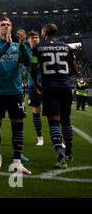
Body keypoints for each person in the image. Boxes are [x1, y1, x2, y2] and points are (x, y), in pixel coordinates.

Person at [0, 16, 31, 175]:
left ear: (11, 27)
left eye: (8, 24)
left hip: (15, 91)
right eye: (2, 24)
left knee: (18, 126)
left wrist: (23, 45)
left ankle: (17, 161)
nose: (5, 26)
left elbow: (28, 62)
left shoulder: (18, 46)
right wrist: (8, 44)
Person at [31, 24, 78, 169]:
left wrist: (37, 84)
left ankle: (60, 155)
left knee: (53, 122)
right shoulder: (67, 47)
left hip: (49, 87)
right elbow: (75, 69)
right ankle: (69, 151)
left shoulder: (37, 48)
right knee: (66, 120)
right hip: (65, 87)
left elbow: (32, 69)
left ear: (44, 32)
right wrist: (63, 76)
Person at [25, 31, 44, 146]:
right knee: (36, 110)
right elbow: (28, 69)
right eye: (32, 38)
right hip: (33, 83)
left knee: (54, 110)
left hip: (47, 83)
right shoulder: (27, 52)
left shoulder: (44, 49)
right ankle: (40, 137)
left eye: (36, 37)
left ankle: (57, 137)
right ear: (28, 40)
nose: (35, 39)